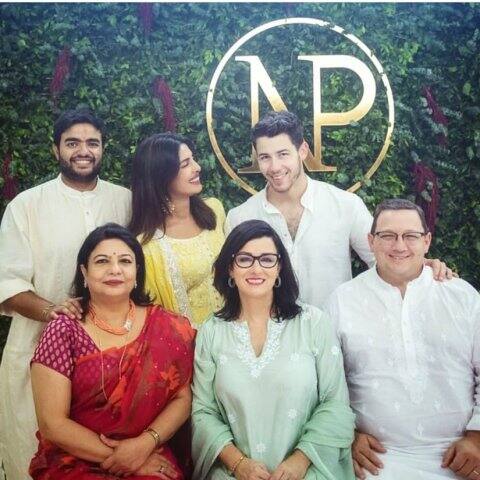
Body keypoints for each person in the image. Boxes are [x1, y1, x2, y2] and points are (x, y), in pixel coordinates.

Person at [0, 109, 131, 479]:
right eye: (72, 143)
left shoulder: (126, 200)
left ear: (103, 148)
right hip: (36, 352)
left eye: (92, 143)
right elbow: (7, 284)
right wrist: (52, 311)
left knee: (109, 457)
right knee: (33, 457)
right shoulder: (27, 206)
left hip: (113, 357)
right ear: (56, 149)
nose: (83, 151)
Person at [226, 110, 452, 308]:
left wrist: (422, 267)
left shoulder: (346, 205)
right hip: (268, 338)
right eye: (265, 157)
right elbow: (232, 284)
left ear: (302, 150)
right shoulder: (240, 217)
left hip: (336, 334)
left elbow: (384, 259)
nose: (275, 167)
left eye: (283, 154)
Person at [325, 199, 480, 480]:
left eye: (410, 236)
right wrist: (348, 434)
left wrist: (476, 437)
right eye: (387, 236)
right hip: (377, 463)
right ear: (371, 241)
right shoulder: (342, 301)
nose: (399, 246)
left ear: (427, 241)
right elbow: (326, 385)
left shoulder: (462, 297)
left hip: (463, 456)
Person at [192, 219, 355, 480]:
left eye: (267, 259)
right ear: (230, 269)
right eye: (244, 259)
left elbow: (335, 404)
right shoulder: (211, 331)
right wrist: (239, 464)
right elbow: (203, 412)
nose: (256, 268)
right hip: (233, 473)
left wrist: (299, 462)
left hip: (309, 469)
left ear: (279, 268)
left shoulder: (313, 323)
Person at [29, 223, 195, 479]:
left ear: (137, 271)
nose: (115, 269)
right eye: (102, 261)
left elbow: (182, 398)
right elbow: (52, 423)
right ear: (84, 272)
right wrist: (126, 459)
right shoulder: (64, 330)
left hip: (148, 452)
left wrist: (145, 444)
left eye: (125, 261)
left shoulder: (168, 326)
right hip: (75, 458)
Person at [129, 132, 225, 328]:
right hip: (189, 341)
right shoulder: (146, 246)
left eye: (193, 159)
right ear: (162, 176)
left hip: (233, 331)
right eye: (185, 164)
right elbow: (151, 315)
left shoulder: (214, 210)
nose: (197, 167)